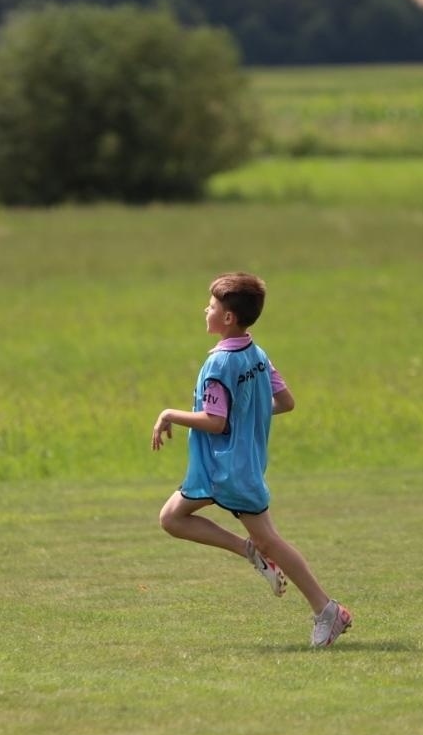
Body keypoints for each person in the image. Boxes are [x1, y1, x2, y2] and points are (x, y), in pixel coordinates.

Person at [151, 272, 352, 648]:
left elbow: (216, 421)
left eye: (211, 306)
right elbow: (285, 402)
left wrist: (169, 414)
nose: (205, 310)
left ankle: (328, 611)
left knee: (270, 542)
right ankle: (248, 549)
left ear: (227, 318)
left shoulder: (218, 366)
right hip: (218, 469)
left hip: (230, 470)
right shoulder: (257, 354)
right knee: (172, 518)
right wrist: (249, 416)